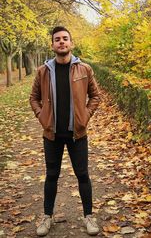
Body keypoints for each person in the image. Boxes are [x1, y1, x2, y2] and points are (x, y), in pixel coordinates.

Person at [30, 26, 101, 236]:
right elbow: (34, 98)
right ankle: (47, 217)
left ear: (71, 43)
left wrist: (85, 116)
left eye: (65, 38)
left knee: (83, 175)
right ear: (52, 45)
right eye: (57, 39)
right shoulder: (43, 71)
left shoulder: (84, 69)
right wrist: (41, 116)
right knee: (51, 175)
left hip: (77, 134)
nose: (61, 42)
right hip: (51, 135)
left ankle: (89, 217)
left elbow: (95, 96)